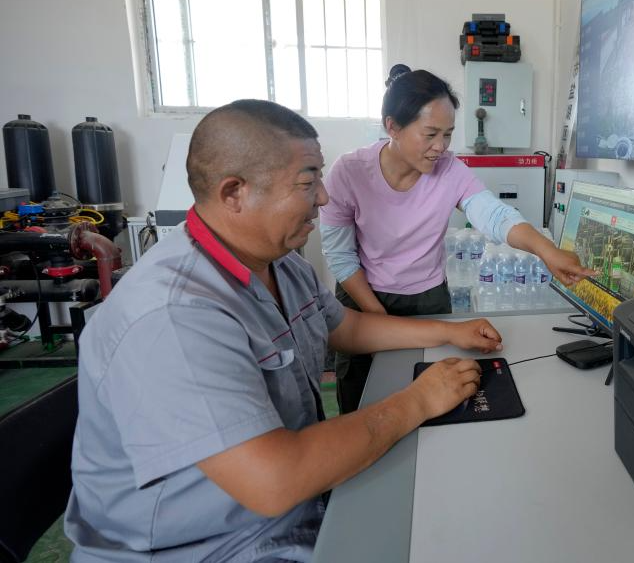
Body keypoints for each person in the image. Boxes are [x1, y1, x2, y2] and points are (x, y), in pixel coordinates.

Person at [64, 100, 503, 562]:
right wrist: (419, 400)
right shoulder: (174, 316)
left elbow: (345, 326)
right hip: (213, 546)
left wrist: (447, 332)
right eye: (307, 182)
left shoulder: (280, 265)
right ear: (235, 192)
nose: (323, 197)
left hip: (292, 510)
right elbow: (274, 481)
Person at [320, 64, 595, 413]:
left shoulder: (449, 170)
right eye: (430, 134)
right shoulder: (349, 172)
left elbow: (494, 215)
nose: (440, 147)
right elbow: (340, 256)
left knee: (437, 396)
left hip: (426, 297)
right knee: (362, 398)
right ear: (393, 127)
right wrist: (379, 318)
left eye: (448, 134)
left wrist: (547, 251)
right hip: (362, 296)